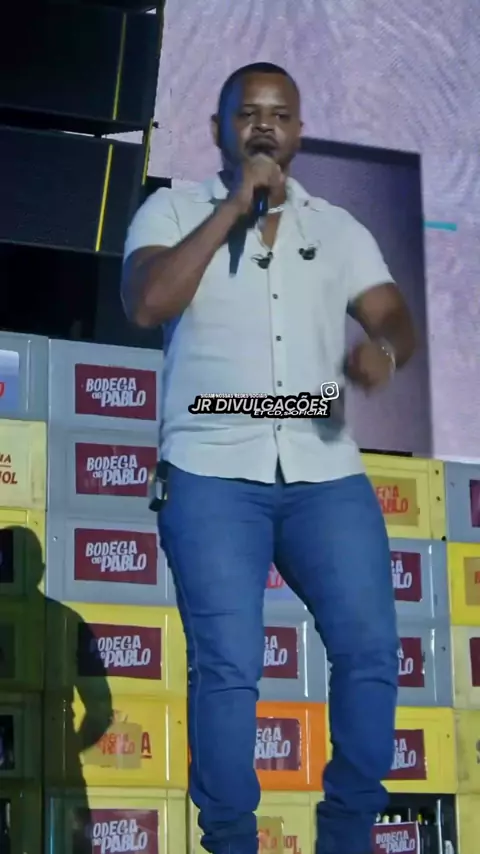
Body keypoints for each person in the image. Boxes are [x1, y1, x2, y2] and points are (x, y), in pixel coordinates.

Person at [121, 62, 415, 854]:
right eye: (247, 112)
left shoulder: (339, 228)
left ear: (299, 131)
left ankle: (347, 835)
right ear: (218, 127)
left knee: (371, 652)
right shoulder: (171, 210)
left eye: (278, 114)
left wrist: (386, 350)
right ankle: (231, 842)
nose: (263, 125)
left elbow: (392, 315)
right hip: (211, 471)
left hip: (325, 475)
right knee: (228, 668)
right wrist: (232, 209)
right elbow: (147, 303)